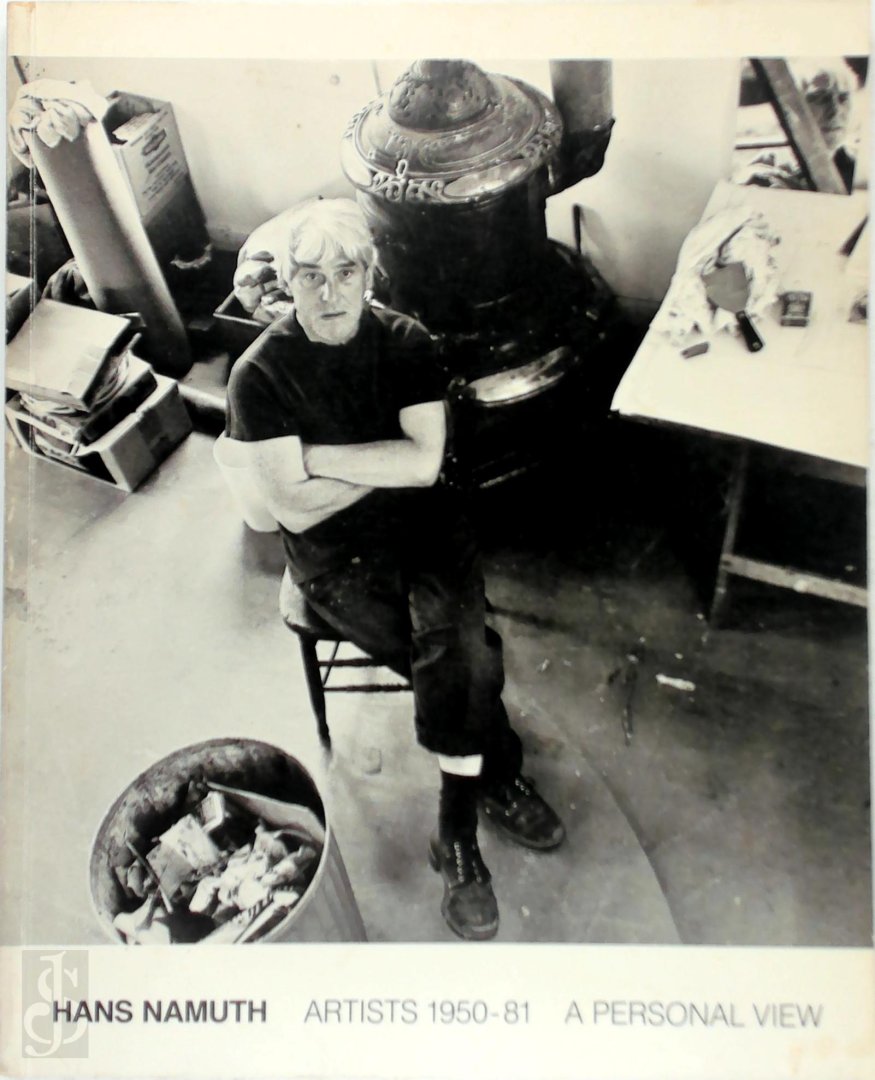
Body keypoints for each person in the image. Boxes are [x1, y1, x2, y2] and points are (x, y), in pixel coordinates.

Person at [222, 197, 565, 941]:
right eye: (310, 276)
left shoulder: (406, 341)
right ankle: (490, 784)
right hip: (334, 557)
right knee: (464, 657)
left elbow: (423, 466)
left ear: (370, 275)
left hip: (428, 526)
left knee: (457, 650)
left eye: (346, 272)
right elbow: (296, 511)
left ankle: (456, 830)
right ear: (287, 282)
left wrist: (316, 457)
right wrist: (388, 466)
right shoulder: (258, 376)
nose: (330, 292)